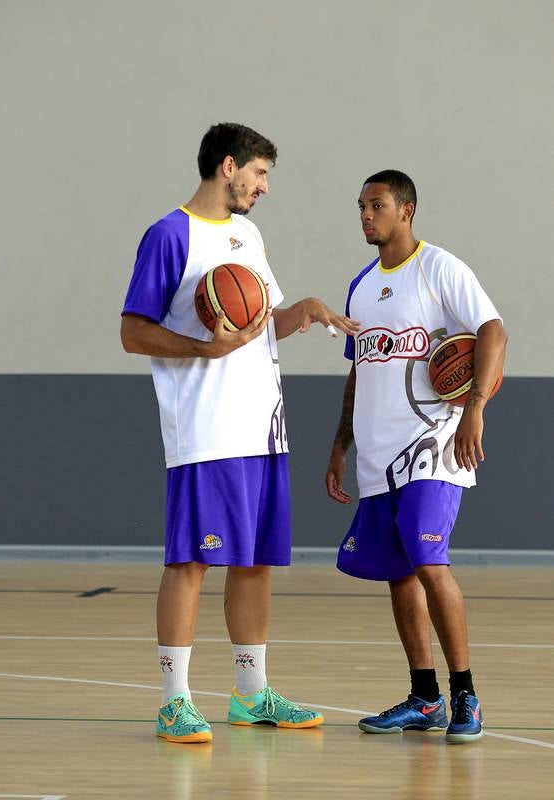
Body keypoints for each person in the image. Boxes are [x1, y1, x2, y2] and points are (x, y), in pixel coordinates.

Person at [121, 122, 358, 744]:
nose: (264, 188)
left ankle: (252, 695)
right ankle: (174, 701)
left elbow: (258, 323)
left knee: (254, 563)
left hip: (264, 426)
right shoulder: (170, 235)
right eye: (259, 175)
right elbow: (132, 331)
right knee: (193, 558)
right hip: (207, 429)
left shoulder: (248, 234)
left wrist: (299, 313)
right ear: (228, 166)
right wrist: (201, 347)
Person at [326, 170, 507, 744]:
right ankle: (425, 697)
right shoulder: (360, 285)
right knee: (400, 576)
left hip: (435, 445)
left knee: (430, 563)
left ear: (406, 210)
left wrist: (475, 405)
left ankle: (467, 695)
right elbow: (358, 372)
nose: (365, 215)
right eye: (360, 207)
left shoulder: (440, 268)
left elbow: (493, 331)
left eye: (375, 205)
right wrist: (339, 445)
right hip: (377, 455)